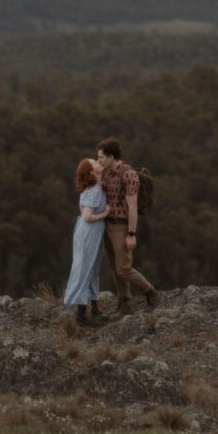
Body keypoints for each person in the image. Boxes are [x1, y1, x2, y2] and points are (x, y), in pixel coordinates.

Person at [96, 137, 158, 316]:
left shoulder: (128, 174)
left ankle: (151, 292)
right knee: (115, 266)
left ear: (110, 156)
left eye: (101, 157)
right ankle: (124, 302)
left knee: (124, 268)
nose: (99, 160)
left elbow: (132, 206)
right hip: (108, 225)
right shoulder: (108, 173)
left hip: (122, 227)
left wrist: (131, 233)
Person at [63, 158, 109, 326]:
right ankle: (81, 316)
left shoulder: (93, 187)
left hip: (89, 233)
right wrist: (104, 214)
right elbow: (87, 216)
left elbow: (82, 210)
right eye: (94, 162)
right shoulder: (94, 191)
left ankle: (94, 309)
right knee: (86, 268)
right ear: (91, 171)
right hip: (89, 233)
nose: (98, 161)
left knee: (92, 268)